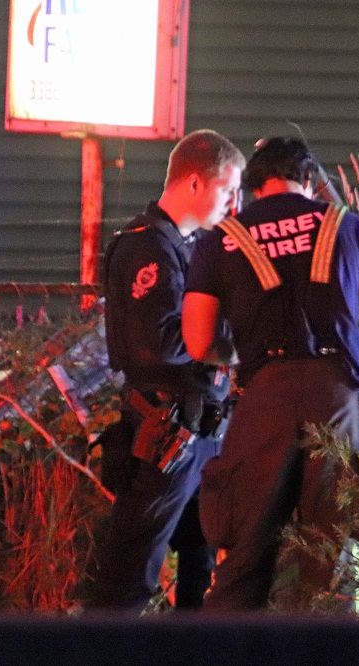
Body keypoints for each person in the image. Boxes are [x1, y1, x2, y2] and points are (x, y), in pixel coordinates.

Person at [181, 136, 359, 610]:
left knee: (243, 553)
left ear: (256, 185)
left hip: (265, 397)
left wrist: (243, 352)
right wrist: (346, 340)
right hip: (337, 398)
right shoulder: (349, 226)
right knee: (333, 553)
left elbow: (199, 342)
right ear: (310, 182)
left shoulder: (222, 239)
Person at [92, 129, 245, 611]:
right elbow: (160, 344)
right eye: (227, 189)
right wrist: (235, 344)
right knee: (132, 571)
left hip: (200, 430)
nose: (233, 201)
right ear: (196, 183)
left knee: (201, 564)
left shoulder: (187, 245)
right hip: (167, 431)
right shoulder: (148, 249)